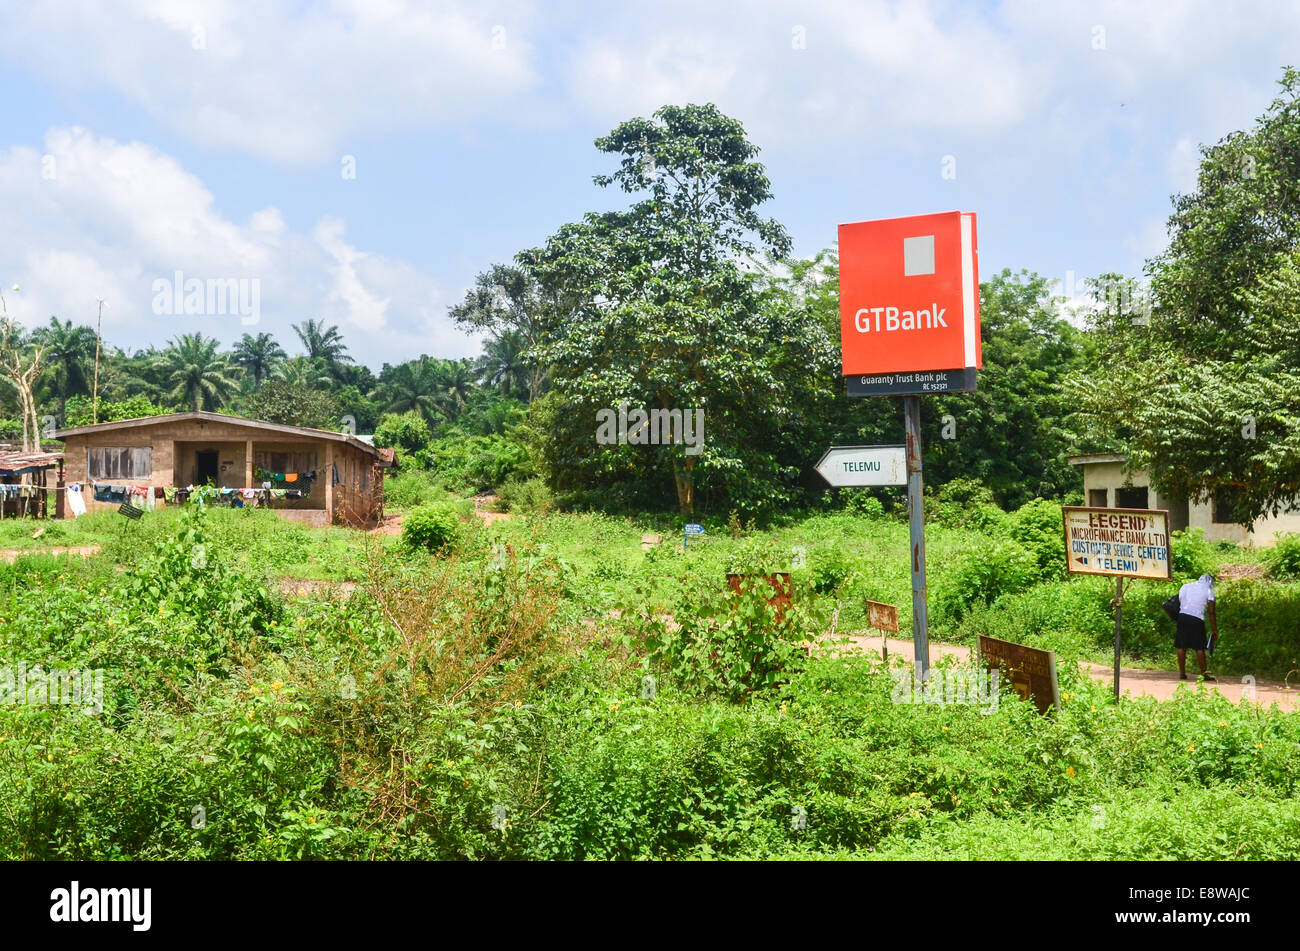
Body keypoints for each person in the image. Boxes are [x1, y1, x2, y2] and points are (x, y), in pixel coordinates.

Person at [1175, 573, 1218, 682]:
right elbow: (1211, 612)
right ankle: (1204, 674)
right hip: (1197, 620)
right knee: (1199, 647)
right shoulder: (1209, 591)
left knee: (1181, 646)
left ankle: (1182, 673)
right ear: (1210, 583)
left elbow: (1180, 601)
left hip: (1182, 617)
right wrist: (1214, 629)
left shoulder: (1185, 586)